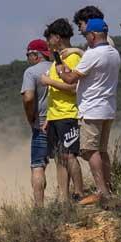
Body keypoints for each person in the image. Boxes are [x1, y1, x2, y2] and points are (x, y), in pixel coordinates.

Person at [43, 17, 121, 207]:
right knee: (99, 151)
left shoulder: (91, 55)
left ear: (93, 35)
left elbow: (71, 81)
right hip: (107, 107)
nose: (85, 38)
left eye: (86, 35)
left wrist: (59, 73)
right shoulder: (114, 53)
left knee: (89, 151)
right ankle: (106, 189)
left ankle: (101, 191)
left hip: (90, 109)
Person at [41, 19, 86, 201]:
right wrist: (48, 118)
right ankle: (63, 198)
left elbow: (74, 87)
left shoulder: (73, 58)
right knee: (59, 158)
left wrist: (49, 81)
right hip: (55, 116)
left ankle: (80, 193)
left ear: (57, 37)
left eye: (49, 38)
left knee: (69, 156)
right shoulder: (56, 61)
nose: (48, 42)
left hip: (68, 114)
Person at [20, 39, 54, 205]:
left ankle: (39, 207)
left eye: (28, 54)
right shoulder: (58, 68)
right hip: (60, 119)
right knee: (64, 160)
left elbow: (28, 98)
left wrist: (30, 117)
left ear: (35, 55)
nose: (27, 58)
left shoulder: (30, 72)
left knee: (38, 165)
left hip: (40, 123)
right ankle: (67, 199)